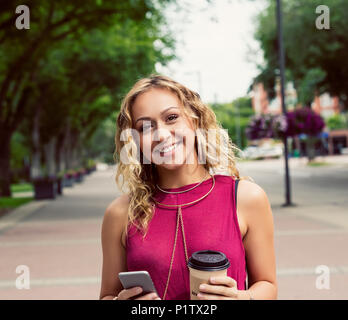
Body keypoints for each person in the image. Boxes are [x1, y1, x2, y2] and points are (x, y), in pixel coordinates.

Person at [99, 74, 277, 300]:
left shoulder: (246, 198)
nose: (161, 135)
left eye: (172, 118)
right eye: (145, 127)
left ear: (194, 120)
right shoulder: (120, 213)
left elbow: (268, 285)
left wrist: (244, 298)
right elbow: (107, 295)